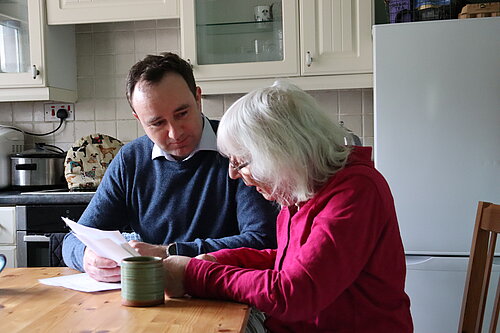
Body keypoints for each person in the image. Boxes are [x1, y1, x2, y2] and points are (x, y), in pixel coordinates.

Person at [162, 82, 413, 332]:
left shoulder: (356, 191)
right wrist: (217, 259)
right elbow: (288, 261)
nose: (233, 174)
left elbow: (296, 293)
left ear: (280, 152)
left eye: (241, 162)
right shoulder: (301, 192)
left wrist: (194, 275)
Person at [62, 53, 278, 282]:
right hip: (157, 296)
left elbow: (262, 240)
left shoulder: (240, 150)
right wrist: (87, 257)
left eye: (182, 113)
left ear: (198, 98)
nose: (175, 133)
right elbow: (74, 240)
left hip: (228, 292)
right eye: (157, 123)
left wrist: (169, 252)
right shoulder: (131, 159)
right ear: (139, 119)